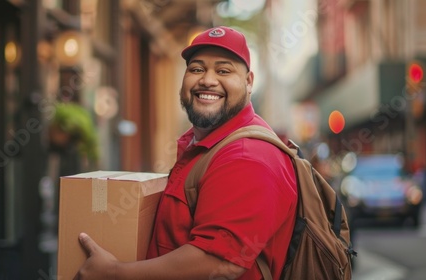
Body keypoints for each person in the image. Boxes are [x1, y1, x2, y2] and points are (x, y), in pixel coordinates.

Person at [74, 26, 298, 280]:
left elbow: (221, 263)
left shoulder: (247, 156)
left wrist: (115, 273)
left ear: (248, 82)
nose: (207, 80)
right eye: (197, 69)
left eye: (223, 70)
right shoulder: (208, 145)